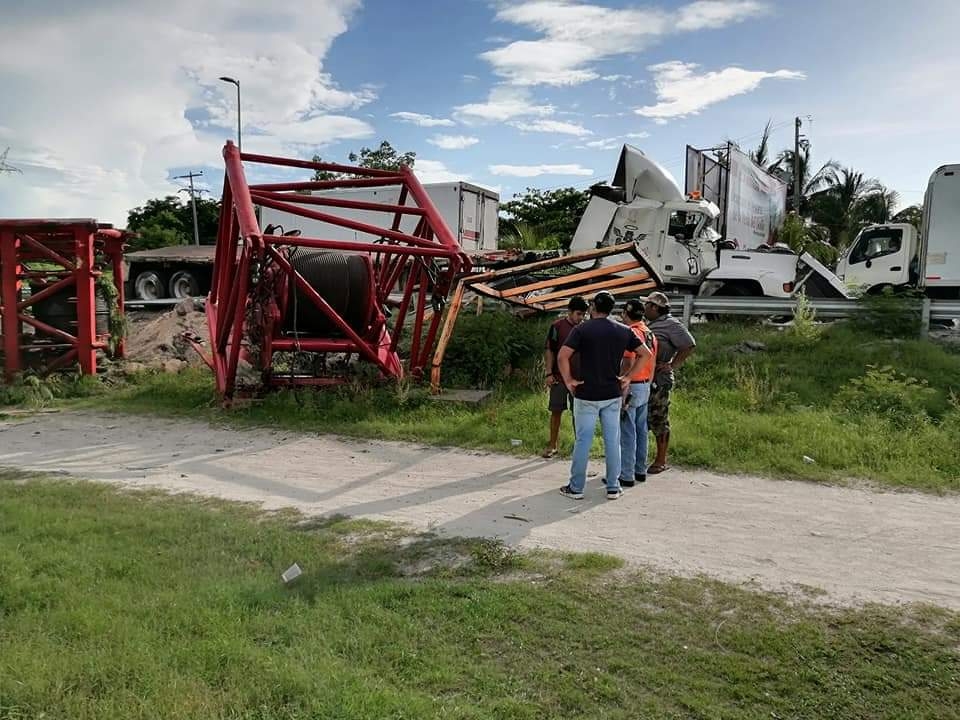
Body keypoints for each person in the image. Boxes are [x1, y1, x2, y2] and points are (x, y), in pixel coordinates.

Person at [557, 291, 651, 500]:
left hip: (586, 393)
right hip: (611, 393)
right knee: (612, 441)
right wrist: (627, 377)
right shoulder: (624, 330)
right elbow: (646, 354)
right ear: (611, 309)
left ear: (593, 307)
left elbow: (562, 356)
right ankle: (613, 486)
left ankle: (576, 488)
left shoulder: (582, 330)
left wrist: (569, 380)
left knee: (583, 441)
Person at [642, 291, 696, 475]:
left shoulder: (671, 324)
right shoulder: (652, 324)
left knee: (659, 417)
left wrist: (673, 364)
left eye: (647, 305)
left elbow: (689, 344)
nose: (644, 308)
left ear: (655, 307)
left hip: (659, 380)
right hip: (646, 377)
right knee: (643, 418)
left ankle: (661, 459)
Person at [618, 298, 657, 487]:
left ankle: (626, 474)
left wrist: (623, 381)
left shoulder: (631, 333)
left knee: (627, 431)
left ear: (626, 313)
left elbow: (627, 361)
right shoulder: (650, 333)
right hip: (645, 385)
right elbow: (653, 361)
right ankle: (639, 469)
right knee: (642, 430)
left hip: (631, 385)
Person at [542, 296, 588, 458]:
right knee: (556, 411)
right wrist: (548, 372)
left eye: (584, 314)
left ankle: (580, 446)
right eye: (578, 314)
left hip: (579, 379)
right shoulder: (557, 326)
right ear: (570, 312)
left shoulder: (586, 328)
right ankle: (553, 444)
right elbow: (550, 350)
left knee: (580, 414)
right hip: (559, 377)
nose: (581, 318)